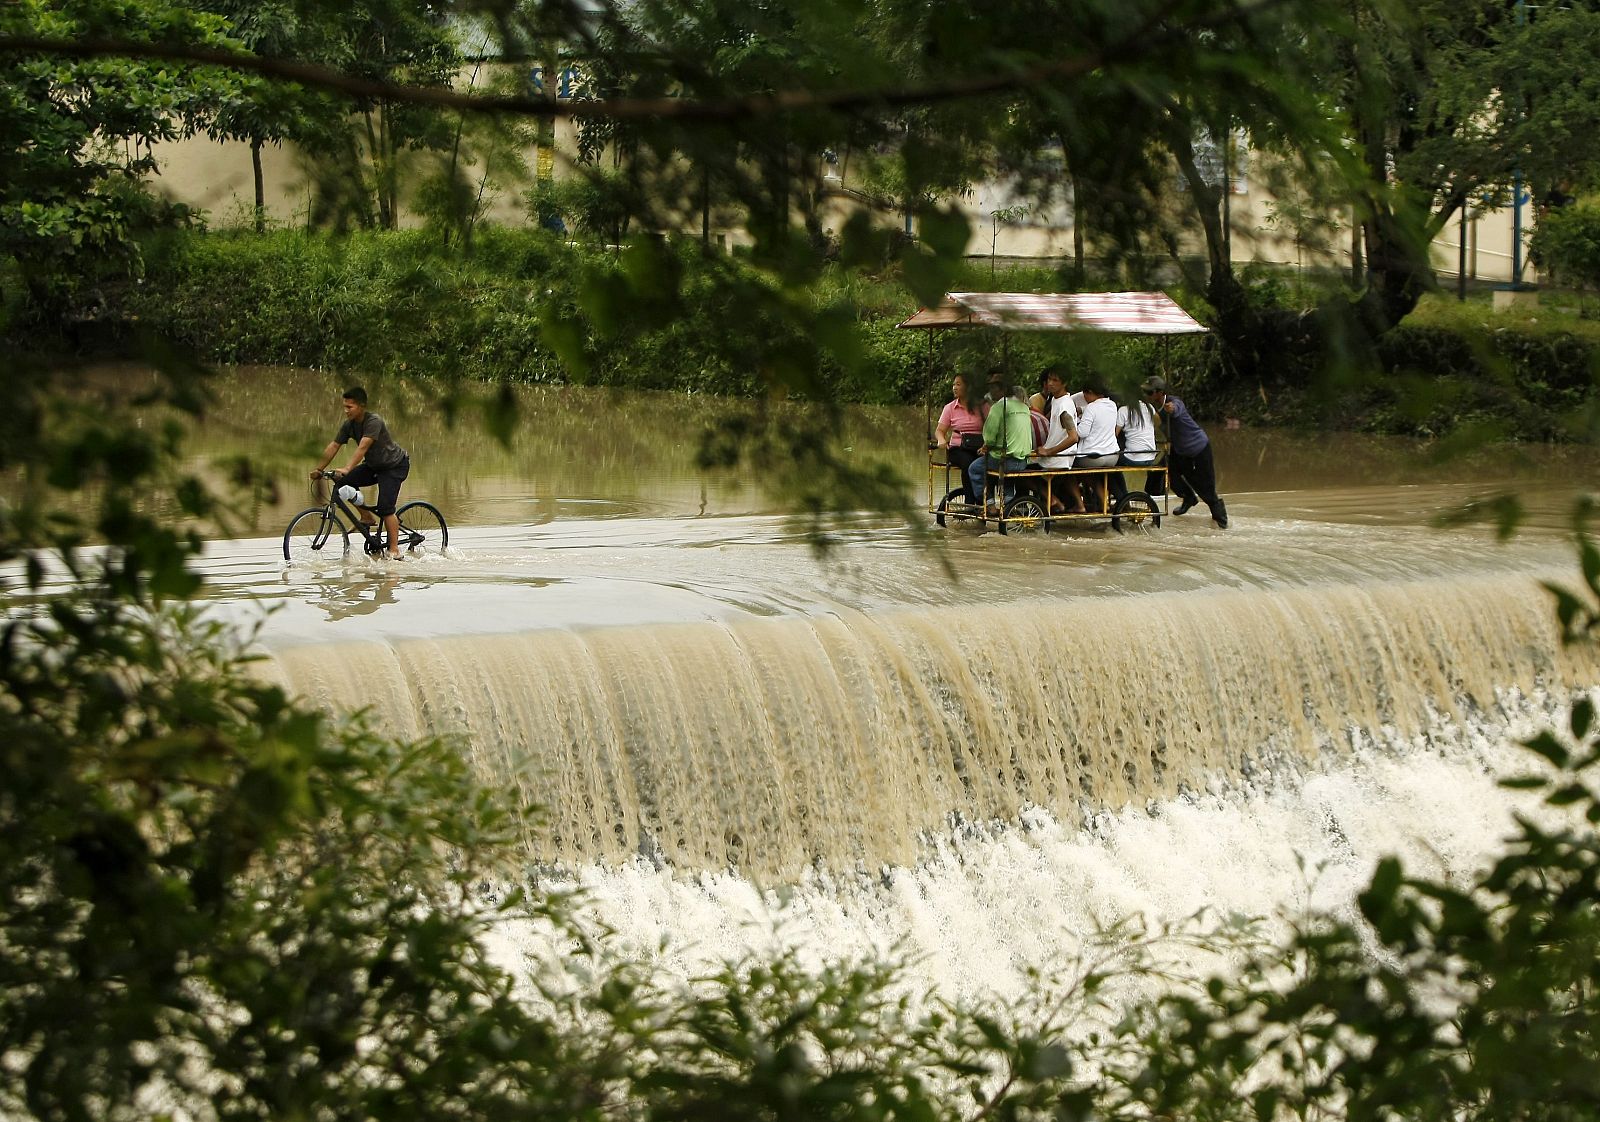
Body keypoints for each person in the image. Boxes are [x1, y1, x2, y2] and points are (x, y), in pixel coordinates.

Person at [311, 384, 412, 559]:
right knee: (343, 482)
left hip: (394, 466)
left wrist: (347, 468)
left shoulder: (374, 421)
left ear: (361, 406)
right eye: (344, 406)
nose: (346, 410)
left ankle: (394, 549)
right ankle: (366, 517)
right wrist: (319, 469)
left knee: (385, 508)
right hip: (374, 466)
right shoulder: (349, 425)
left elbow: (363, 447)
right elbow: (334, 445)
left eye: (349, 407)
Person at [1141, 375, 1228, 528]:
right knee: (1165, 471)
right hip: (1179, 449)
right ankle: (1188, 497)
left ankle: (1221, 520)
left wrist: (1171, 409)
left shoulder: (1173, 402)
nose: (1147, 396)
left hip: (1197, 448)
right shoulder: (1152, 407)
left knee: (1204, 486)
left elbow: (1176, 410)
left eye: (1149, 393)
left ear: (1159, 393)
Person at [968, 370, 1032, 513]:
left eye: (993, 388)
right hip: (1022, 461)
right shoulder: (1024, 407)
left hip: (1005, 460)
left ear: (1002, 389)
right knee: (1007, 481)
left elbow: (989, 436)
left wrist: (985, 446)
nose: (991, 391)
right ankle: (1010, 506)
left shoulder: (998, 407)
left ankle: (989, 504)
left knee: (975, 469)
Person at [1033, 366, 1083, 514]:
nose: (1050, 383)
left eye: (1055, 380)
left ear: (1064, 383)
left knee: (1025, 476)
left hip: (1059, 458)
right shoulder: (1056, 400)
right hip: (1056, 456)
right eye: (1049, 379)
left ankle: (1055, 502)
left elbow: (1073, 437)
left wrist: (1049, 451)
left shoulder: (1064, 406)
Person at [934, 372, 989, 503]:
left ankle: (987, 500)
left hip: (980, 447)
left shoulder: (983, 406)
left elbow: (993, 428)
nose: (954, 388)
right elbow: (940, 430)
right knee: (968, 464)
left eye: (958, 384)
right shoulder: (950, 408)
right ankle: (970, 502)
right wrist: (941, 440)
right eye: (953, 385)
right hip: (958, 448)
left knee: (989, 464)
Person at [1070, 380, 1121, 508]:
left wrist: (1071, 427)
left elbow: (1082, 433)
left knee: (1068, 469)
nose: (1084, 398)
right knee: (1092, 476)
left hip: (1093, 458)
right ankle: (1104, 503)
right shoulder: (1112, 405)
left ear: (1090, 393)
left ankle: (1079, 504)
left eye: (1085, 395)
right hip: (1112, 456)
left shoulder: (1092, 407)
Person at [1116, 385, 1162, 495]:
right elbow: (1158, 422)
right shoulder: (1149, 407)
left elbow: (1115, 434)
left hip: (1133, 457)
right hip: (1151, 456)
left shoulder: (1123, 410)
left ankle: (1122, 496)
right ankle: (1123, 497)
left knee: (1111, 466)